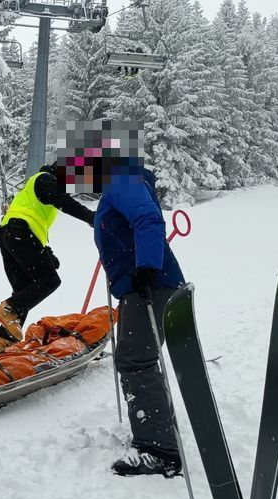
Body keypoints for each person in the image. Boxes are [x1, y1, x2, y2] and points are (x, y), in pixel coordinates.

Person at [94, 161, 186, 477]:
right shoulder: (124, 182)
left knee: (136, 359)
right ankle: (158, 434)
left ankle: (159, 449)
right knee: (138, 358)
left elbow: (147, 219)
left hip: (150, 286)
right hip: (148, 285)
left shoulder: (121, 179)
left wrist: (145, 266)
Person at [0, 162, 95, 351]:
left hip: (9, 236)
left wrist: (47, 252)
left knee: (25, 290)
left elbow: (34, 220)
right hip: (20, 233)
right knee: (50, 280)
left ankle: (5, 341)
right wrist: (91, 217)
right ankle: (8, 308)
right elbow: (62, 201)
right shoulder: (45, 179)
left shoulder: (34, 188)